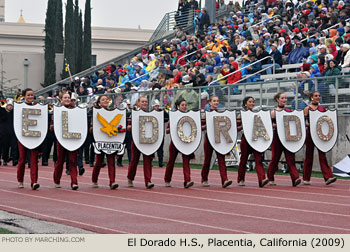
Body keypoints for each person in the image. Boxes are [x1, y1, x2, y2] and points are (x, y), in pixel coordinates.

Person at [267, 92, 301, 187]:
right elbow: (269, 125)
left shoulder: (289, 111)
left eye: (285, 98)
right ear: (277, 99)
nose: (284, 100)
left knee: (290, 158)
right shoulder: (273, 112)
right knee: (275, 159)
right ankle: (270, 177)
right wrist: (275, 125)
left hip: (287, 137)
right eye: (282, 98)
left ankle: (295, 178)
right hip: (277, 137)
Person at [303, 91, 337, 186]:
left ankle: (328, 177)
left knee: (323, 155)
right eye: (315, 96)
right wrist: (312, 124)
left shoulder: (323, 108)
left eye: (319, 95)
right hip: (310, 134)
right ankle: (306, 178)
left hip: (320, 135)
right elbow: (304, 122)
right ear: (311, 98)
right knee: (309, 156)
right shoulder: (307, 109)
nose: (318, 97)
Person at [201, 96, 232, 188]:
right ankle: (204, 179)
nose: (216, 102)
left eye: (217, 101)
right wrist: (208, 125)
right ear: (210, 103)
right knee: (207, 160)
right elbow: (201, 128)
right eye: (214, 101)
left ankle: (224, 180)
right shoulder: (205, 115)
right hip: (209, 139)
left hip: (219, 139)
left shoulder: (221, 115)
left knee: (221, 160)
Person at [237, 97, 269, 188]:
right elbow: (237, 128)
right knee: (244, 159)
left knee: (258, 159)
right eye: (250, 102)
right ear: (245, 104)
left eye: (253, 102)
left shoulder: (257, 114)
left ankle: (262, 179)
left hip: (256, 139)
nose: (252, 103)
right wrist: (244, 126)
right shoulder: (241, 115)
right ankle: (241, 179)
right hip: (246, 140)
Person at [164, 98, 195, 188]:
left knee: (186, 161)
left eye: (185, 105)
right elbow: (167, 131)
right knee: (171, 161)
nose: (184, 107)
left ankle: (187, 180)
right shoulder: (174, 116)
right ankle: (167, 179)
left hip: (185, 142)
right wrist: (175, 127)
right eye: (182, 105)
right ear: (178, 107)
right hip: (175, 142)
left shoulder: (189, 116)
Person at [91, 95, 119, 189]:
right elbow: (92, 127)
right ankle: (94, 180)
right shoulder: (95, 113)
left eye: (107, 99)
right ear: (99, 103)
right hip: (100, 139)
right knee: (99, 161)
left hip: (110, 138)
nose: (106, 101)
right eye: (103, 100)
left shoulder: (112, 112)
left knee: (111, 161)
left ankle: (112, 181)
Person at [127, 96, 155, 189]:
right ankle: (130, 178)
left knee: (148, 160)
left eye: (146, 102)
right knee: (134, 160)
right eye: (142, 101)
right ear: (138, 103)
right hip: (136, 141)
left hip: (146, 141)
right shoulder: (133, 113)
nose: (144, 103)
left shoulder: (150, 113)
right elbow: (128, 127)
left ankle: (148, 181)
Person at [53, 93, 79, 190]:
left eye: (69, 97)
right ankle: (56, 180)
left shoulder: (76, 110)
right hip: (61, 139)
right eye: (65, 98)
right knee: (60, 161)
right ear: (61, 100)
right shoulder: (57, 110)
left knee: (73, 160)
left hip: (72, 138)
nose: (67, 99)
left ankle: (74, 182)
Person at [17, 88, 40, 190]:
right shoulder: (19, 107)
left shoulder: (37, 107)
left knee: (34, 160)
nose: (30, 97)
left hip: (34, 137)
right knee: (22, 160)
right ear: (24, 96)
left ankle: (34, 182)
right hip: (22, 136)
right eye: (28, 95)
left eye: (32, 95)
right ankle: (20, 180)